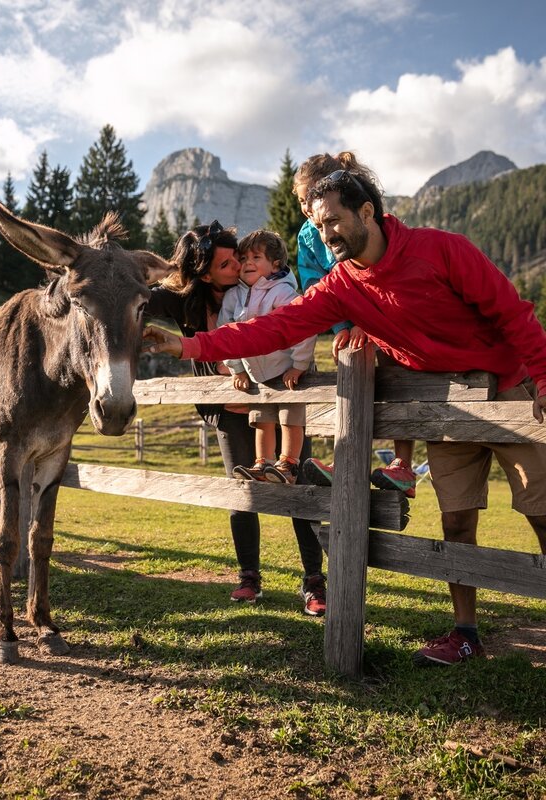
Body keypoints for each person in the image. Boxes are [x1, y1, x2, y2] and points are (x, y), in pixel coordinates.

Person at [144, 169, 546, 665]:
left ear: (366, 212)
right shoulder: (340, 287)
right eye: (317, 224)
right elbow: (271, 329)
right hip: (447, 407)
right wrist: (189, 345)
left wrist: (543, 379)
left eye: (333, 220)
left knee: (541, 511)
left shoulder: (443, 249)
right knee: (457, 521)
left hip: (509, 389)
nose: (325, 233)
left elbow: (513, 312)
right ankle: (466, 634)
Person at [146, 221, 327, 613]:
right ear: (204, 271)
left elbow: (295, 323)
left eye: (242, 258)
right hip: (229, 410)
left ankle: (314, 579)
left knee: (300, 485)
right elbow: (144, 299)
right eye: (228, 262)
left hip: (280, 398)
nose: (238, 265)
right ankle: (249, 577)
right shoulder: (189, 300)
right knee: (241, 491)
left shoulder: (265, 290)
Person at [293, 152, 417, 498]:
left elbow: (380, 274)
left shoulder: (366, 218)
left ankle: (403, 465)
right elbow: (315, 282)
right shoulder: (308, 235)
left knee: (397, 382)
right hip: (350, 322)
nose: (307, 208)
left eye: (309, 198)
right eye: (302, 201)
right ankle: (347, 458)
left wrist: (369, 323)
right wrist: (342, 327)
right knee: (351, 380)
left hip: (387, 319)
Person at [219, 230, 316, 484]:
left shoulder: (282, 293)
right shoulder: (234, 297)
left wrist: (299, 365)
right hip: (257, 375)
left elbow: (303, 328)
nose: (248, 262)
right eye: (244, 257)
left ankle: (289, 465)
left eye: (256, 257)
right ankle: (263, 463)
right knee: (262, 420)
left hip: (286, 372)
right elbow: (225, 334)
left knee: (289, 418)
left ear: (275, 265)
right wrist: (236, 368)